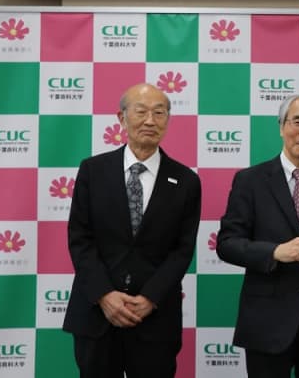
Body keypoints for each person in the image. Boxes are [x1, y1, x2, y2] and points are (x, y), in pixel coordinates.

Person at [63, 83, 202, 378]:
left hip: (155, 318)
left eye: (159, 113)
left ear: (168, 120)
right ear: (122, 118)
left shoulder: (186, 181)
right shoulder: (92, 171)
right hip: (96, 315)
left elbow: (182, 249)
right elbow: (80, 239)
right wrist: (104, 295)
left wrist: (150, 297)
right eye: (141, 111)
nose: (150, 120)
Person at [216, 90, 299, 378]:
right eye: (297, 122)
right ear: (281, 126)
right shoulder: (250, 180)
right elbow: (227, 244)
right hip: (267, 323)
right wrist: (275, 252)